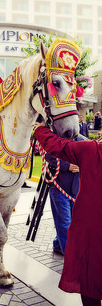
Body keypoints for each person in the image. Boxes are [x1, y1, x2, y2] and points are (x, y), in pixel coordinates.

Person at [34, 121, 102, 306]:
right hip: (66, 193)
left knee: (89, 282)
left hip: (90, 234)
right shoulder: (90, 148)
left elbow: (57, 146)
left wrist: (39, 129)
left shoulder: (91, 149)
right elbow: (55, 150)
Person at [45, 134, 84, 255]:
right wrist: (67, 166)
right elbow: (48, 156)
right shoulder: (58, 140)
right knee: (64, 223)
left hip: (76, 189)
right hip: (59, 188)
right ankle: (69, 256)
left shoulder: (82, 140)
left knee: (72, 222)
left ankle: (58, 244)